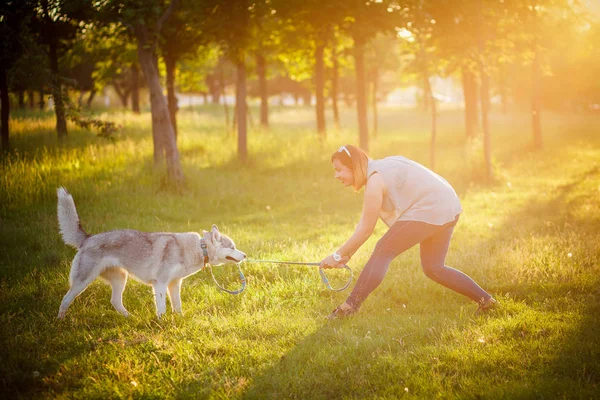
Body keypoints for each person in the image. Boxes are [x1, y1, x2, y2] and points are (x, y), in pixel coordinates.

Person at [320, 145, 497, 318]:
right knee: (433, 268)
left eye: (339, 170)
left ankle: (349, 307)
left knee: (384, 249)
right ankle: (486, 301)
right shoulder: (381, 167)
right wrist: (347, 255)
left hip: (432, 207)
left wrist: (337, 256)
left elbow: (365, 229)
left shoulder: (375, 181)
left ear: (354, 166)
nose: (336, 176)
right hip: (448, 204)